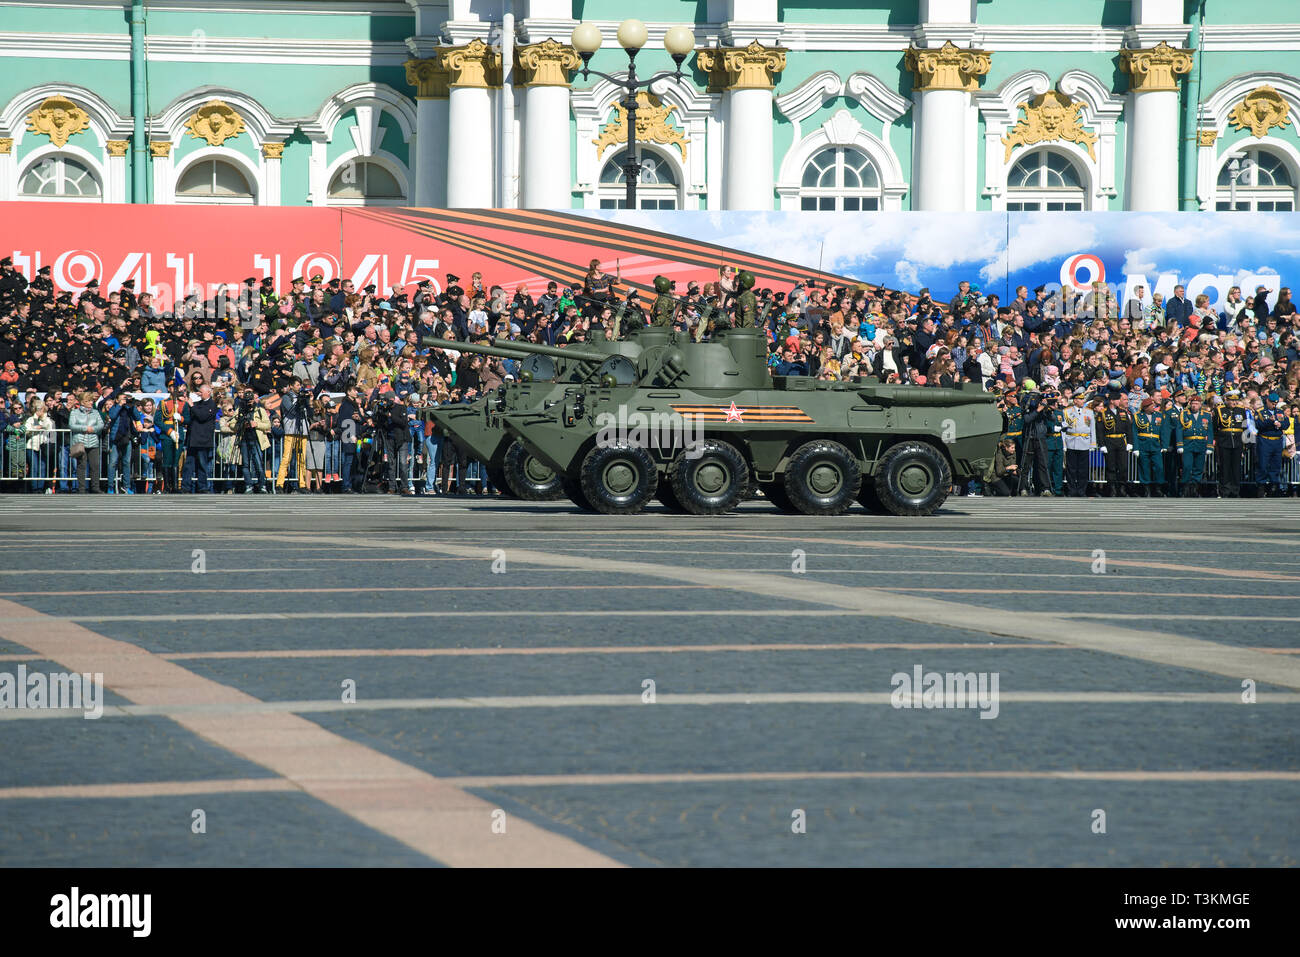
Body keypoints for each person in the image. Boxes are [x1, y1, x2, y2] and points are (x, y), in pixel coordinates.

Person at [1175, 392, 1213, 497]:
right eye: (1193, 403)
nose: (1194, 405)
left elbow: (1210, 431)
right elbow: (1179, 430)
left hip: (1201, 444)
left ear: (1200, 404)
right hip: (1188, 443)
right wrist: (1180, 445)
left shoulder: (1206, 415)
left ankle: (1195, 489)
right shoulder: (1184, 414)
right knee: (1187, 466)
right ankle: (1185, 489)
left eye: (1196, 403)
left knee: (1199, 468)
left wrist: (1209, 446)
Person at [1096, 391, 1134, 496]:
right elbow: (1099, 430)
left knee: (1123, 466)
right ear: (1112, 401)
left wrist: (1130, 442)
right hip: (1109, 441)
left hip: (1121, 441)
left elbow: (1129, 429)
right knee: (1111, 466)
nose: (1119, 401)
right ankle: (1111, 488)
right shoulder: (1103, 413)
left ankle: (1122, 488)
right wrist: (1102, 444)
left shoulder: (1123, 412)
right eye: (1117, 399)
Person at [276, 377, 310, 492]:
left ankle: (302, 484)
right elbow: (292, 410)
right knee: (286, 458)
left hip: (302, 431)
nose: (299, 387)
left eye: (300, 385)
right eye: (297, 385)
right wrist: (299, 402)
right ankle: (280, 483)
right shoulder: (287, 397)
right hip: (291, 431)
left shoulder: (302, 397)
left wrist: (306, 401)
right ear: (291, 386)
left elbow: (309, 412)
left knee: (302, 459)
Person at [1061, 391, 1096, 497]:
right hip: (1072, 441)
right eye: (1080, 399)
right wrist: (1064, 444)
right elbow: (1064, 429)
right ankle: (1072, 490)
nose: (1082, 401)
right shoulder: (1067, 411)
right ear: (1075, 400)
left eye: (1083, 399)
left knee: (1083, 469)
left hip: (1084, 442)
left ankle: (1081, 490)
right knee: (1071, 468)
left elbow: (1092, 428)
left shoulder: (1089, 412)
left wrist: (1093, 444)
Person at [1255, 392, 1291, 495]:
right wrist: (1269, 422)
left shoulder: (1279, 412)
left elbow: (1286, 423)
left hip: (1277, 440)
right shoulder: (1260, 412)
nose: (1274, 405)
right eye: (1272, 403)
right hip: (1265, 440)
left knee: (1276, 464)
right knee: (1263, 464)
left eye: (1275, 403)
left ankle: (1273, 486)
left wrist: (1281, 424)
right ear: (1267, 401)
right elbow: (1258, 425)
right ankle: (1261, 486)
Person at [1213, 389, 1247, 497]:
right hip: (1225, 442)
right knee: (1225, 467)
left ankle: (1235, 490)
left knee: (1236, 467)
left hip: (1237, 442)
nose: (1234, 403)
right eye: (1232, 400)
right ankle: (1225, 490)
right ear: (1226, 400)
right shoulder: (1220, 410)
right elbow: (1215, 428)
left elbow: (1245, 428)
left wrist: (1244, 446)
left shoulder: (1241, 410)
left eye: (1236, 400)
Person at [68, 390, 103, 493]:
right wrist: (85, 428)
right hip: (80, 442)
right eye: (89, 401)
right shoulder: (75, 412)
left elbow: (100, 425)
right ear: (83, 402)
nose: (91, 402)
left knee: (95, 466)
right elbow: (72, 425)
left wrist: (94, 429)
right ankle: (82, 488)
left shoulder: (95, 412)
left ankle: (95, 487)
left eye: (91, 401)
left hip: (93, 442)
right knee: (81, 466)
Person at [185, 384, 217, 493]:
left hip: (202, 440)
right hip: (193, 439)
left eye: (202, 392)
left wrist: (192, 406)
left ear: (208, 392)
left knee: (202, 465)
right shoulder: (198, 403)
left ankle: (202, 487)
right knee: (189, 464)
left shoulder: (212, 404)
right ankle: (186, 486)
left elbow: (202, 416)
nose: (200, 393)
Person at [1132, 397, 1166, 497]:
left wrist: (1164, 445)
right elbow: (1135, 432)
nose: (1153, 407)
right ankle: (1146, 489)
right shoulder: (1137, 416)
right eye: (1151, 406)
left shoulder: (1159, 415)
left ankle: (1158, 488)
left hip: (1155, 445)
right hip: (1143, 445)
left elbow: (1163, 431)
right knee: (1144, 467)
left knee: (1159, 467)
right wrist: (1136, 448)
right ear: (1145, 407)